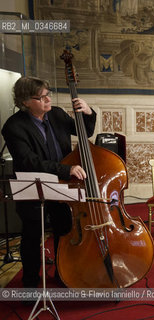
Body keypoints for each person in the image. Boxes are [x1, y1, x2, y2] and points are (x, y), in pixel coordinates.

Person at [1, 76, 96, 288]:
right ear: (25, 101)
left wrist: (88, 113)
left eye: (48, 94)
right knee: (33, 237)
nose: (48, 100)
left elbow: (85, 132)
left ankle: (64, 275)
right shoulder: (13, 127)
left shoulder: (57, 115)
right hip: (35, 187)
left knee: (64, 231)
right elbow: (28, 161)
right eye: (41, 97)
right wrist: (66, 169)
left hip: (62, 186)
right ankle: (31, 286)